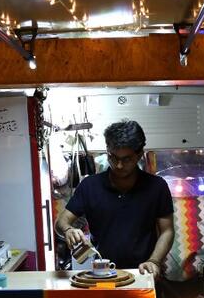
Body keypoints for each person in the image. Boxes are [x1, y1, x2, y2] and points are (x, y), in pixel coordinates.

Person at [54, 119, 174, 278]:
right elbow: (61, 222)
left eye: (126, 159)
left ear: (139, 154)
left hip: (142, 273)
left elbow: (167, 231)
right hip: (102, 272)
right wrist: (69, 230)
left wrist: (154, 261)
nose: (118, 165)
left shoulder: (156, 187)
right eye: (113, 157)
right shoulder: (90, 186)